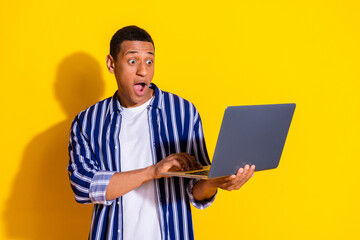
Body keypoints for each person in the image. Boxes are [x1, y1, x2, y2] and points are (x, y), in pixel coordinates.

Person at [67, 25, 255, 240]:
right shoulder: (87, 122)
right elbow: (84, 187)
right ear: (111, 64)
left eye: (149, 61)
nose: (143, 71)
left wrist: (213, 182)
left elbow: (195, 187)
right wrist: (152, 171)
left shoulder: (183, 112)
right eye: (132, 61)